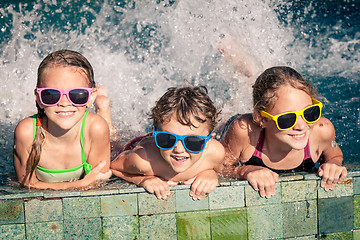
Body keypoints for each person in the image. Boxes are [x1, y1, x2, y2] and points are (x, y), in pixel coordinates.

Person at [221, 66, 347, 198]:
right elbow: (219, 168)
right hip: (238, 126)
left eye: (309, 113)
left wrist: (333, 164)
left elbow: (334, 155)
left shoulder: (322, 130)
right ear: (261, 119)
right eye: (287, 118)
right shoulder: (244, 133)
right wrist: (244, 170)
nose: (301, 125)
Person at [13, 49, 112, 190]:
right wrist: (80, 184)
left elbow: (98, 180)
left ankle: (102, 105)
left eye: (77, 95)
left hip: (90, 126)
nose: (64, 103)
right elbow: (27, 183)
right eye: (51, 95)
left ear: (90, 97)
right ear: (39, 98)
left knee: (113, 136)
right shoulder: (27, 133)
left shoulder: (95, 129)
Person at [110, 86, 225, 200]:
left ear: (209, 141)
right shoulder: (144, 160)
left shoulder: (215, 154)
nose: (179, 149)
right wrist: (141, 180)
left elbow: (222, 169)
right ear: (156, 134)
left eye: (193, 141)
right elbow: (113, 167)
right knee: (114, 145)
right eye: (168, 139)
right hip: (138, 145)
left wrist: (211, 174)